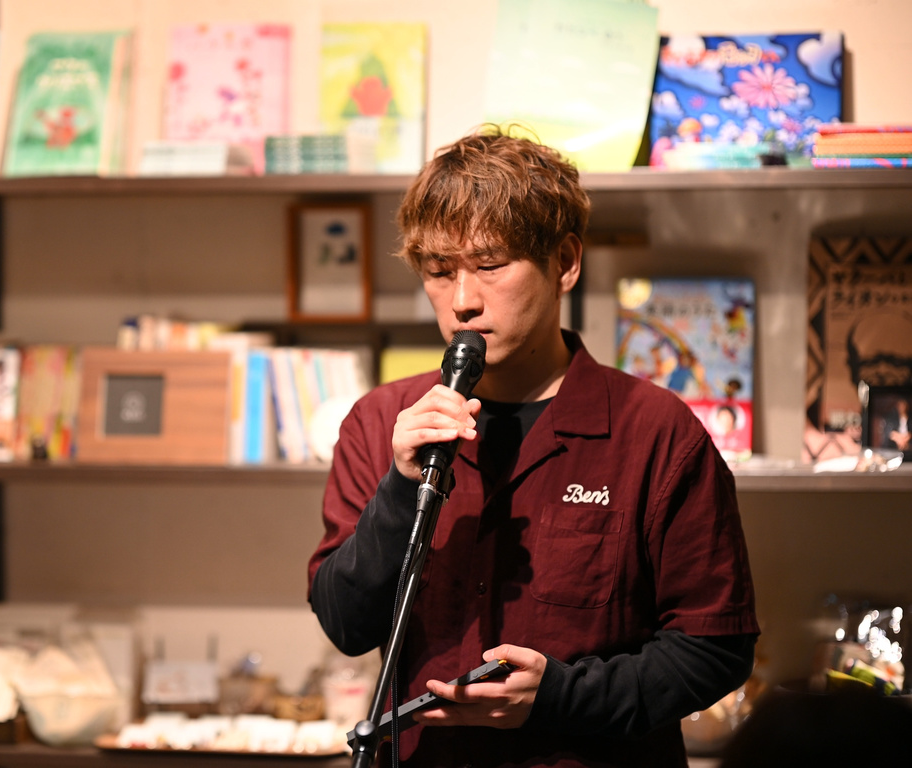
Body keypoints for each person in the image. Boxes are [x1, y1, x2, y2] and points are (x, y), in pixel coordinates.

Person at [308, 129, 759, 768]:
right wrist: (401, 488)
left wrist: (559, 697)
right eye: (438, 271)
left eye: (490, 265)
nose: (462, 301)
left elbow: (715, 648)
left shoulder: (655, 431)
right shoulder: (382, 420)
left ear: (564, 263)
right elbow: (345, 624)